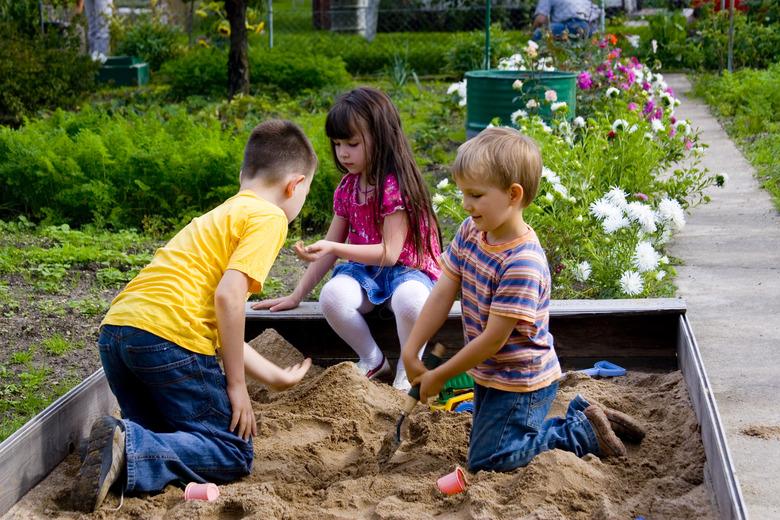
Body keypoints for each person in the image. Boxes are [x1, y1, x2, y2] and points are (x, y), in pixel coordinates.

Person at [71, 120, 318, 512]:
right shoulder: (269, 217)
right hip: (167, 342)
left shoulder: (217, 217)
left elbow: (216, 324)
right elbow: (228, 299)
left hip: (118, 333)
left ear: (243, 175)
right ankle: (131, 447)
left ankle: (120, 447)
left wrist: (273, 376)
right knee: (231, 450)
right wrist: (236, 386)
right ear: (295, 185)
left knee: (167, 436)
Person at [400, 127, 645, 473]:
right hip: (491, 374)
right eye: (463, 193)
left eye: (475, 195)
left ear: (513, 194)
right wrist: (412, 349)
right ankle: (581, 412)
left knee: (490, 459)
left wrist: (440, 374)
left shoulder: (522, 262)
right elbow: (442, 292)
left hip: (521, 381)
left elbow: (492, 340)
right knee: (489, 443)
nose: (466, 204)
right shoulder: (472, 231)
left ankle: (582, 431)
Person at [253, 87, 442, 392]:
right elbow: (328, 251)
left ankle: (409, 369)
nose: (342, 152)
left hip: (408, 272)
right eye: (338, 143)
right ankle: (372, 358)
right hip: (366, 274)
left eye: (352, 143)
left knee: (411, 302)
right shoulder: (348, 187)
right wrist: (296, 296)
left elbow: (391, 253)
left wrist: (334, 247)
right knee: (332, 296)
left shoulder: (395, 186)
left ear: (381, 138)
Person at [532, 0, 602, 41]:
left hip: (565, 28)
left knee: (539, 33)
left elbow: (540, 20)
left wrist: (533, 32)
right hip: (586, 27)